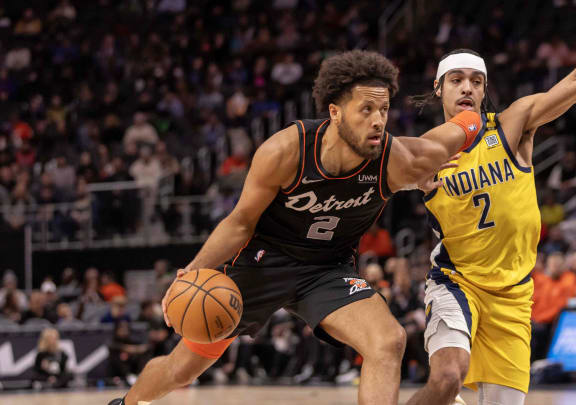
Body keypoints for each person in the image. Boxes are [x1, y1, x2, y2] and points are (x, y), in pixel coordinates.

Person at [109, 49, 483, 405]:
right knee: (181, 370)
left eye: (384, 109)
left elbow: (461, 130)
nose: (378, 120)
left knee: (388, 341)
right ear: (335, 112)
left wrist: (472, 109)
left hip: (326, 269)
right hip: (259, 263)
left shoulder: (396, 161)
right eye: (366, 109)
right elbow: (240, 222)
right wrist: (191, 271)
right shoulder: (286, 151)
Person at [407, 2, 576, 404]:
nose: (467, 88)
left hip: (514, 294)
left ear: (484, 90)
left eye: (477, 81)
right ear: (440, 88)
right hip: (458, 282)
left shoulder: (512, 125)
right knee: (447, 379)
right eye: (457, 79)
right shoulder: (425, 152)